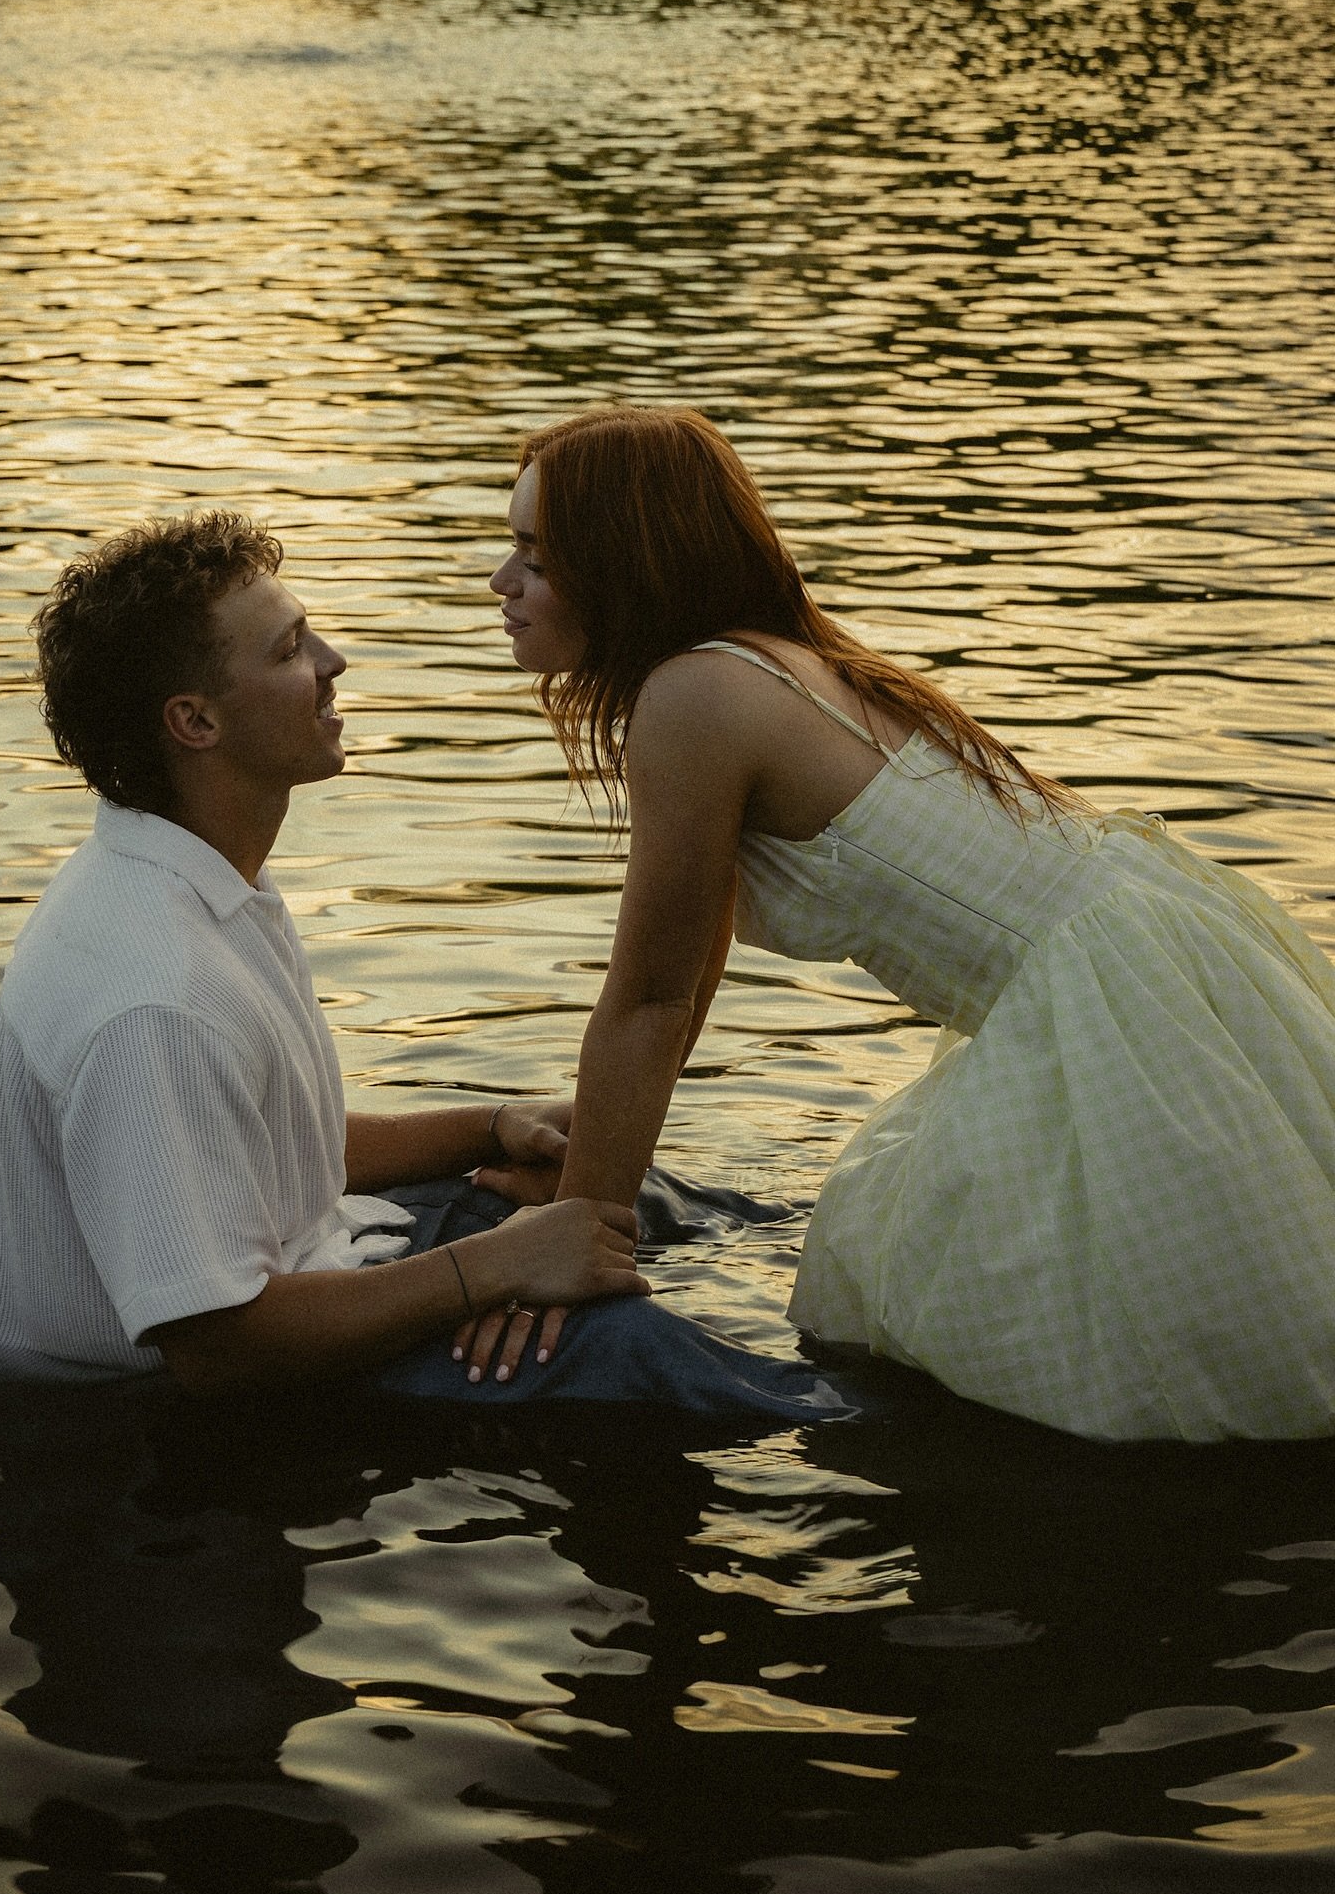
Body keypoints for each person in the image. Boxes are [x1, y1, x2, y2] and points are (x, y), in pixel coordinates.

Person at [490, 403, 1335, 1442]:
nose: (501, 580)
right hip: (1150, 945)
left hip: (1118, 1002)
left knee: (1160, 1357)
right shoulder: (762, 663)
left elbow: (652, 998)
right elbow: (683, 978)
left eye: (537, 555)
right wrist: (594, 1173)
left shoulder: (694, 694)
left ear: (627, 563)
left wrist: (573, 1240)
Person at [0, 512, 649, 1395]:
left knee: (616, 1193)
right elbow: (219, 1348)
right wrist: (501, 1265)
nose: (333, 661)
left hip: (314, 1266)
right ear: (195, 720)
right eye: (289, 650)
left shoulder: (195, 873)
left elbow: (268, 1149)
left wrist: (493, 1124)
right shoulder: (153, 998)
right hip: (143, 1415)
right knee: (636, 1350)